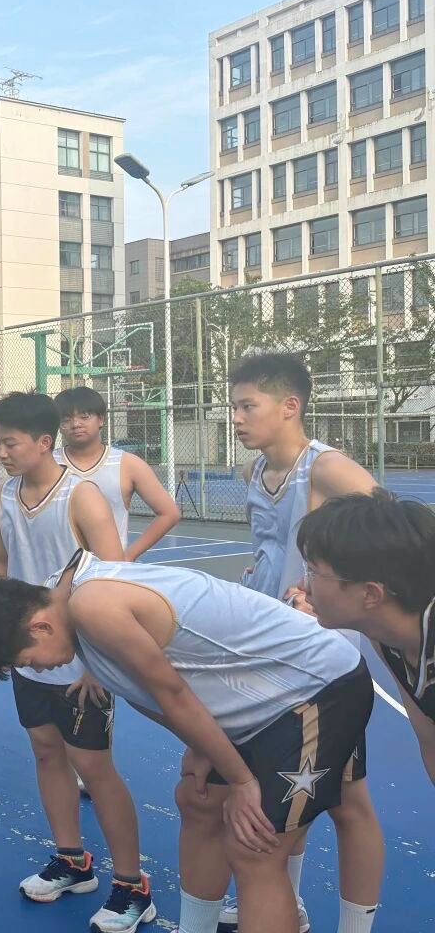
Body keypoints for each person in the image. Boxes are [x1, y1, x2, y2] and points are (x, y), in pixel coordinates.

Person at [0, 551, 372, 933]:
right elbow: (145, 694)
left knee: (255, 847)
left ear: (40, 626)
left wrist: (242, 780)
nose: (38, 669)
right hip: (260, 703)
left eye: (28, 660)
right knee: (198, 801)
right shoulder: (67, 606)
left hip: (312, 686)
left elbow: (172, 693)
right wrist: (202, 749)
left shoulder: (93, 605)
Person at [0, 392, 153, 933]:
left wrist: (98, 665)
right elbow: (1, 563)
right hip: (30, 655)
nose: (1, 453)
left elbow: (117, 583)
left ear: (42, 442)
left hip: (82, 662)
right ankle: (73, 859)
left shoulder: (82, 498)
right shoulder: (3, 495)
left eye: (9, 443)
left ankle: (132, 885)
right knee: (44, 752)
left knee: (95, 769)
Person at [228, 352, 383, 933]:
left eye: (248, 406)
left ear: (289, 406)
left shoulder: (327, 468)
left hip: (321, 664)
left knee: (347, 802)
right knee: (284, 792)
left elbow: (395, 532)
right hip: (269, 655)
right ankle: (284, 904)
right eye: (234, 406)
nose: (236, 418)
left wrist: (329, 585)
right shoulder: (253, 472)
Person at [297, 488, 435, 783]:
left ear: (370, 594)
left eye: (312, 572)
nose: (301, 584)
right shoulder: (386, 636)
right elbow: (429, 738)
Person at [52, 386, 180, 559]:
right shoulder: (47, 464)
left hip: (109, 568)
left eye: (84, 417)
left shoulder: (128, 464)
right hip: (59, 568)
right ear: (59, 426)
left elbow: (169, 513)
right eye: (66, 419)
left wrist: (128, 555)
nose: (76, 424)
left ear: (101, 419)